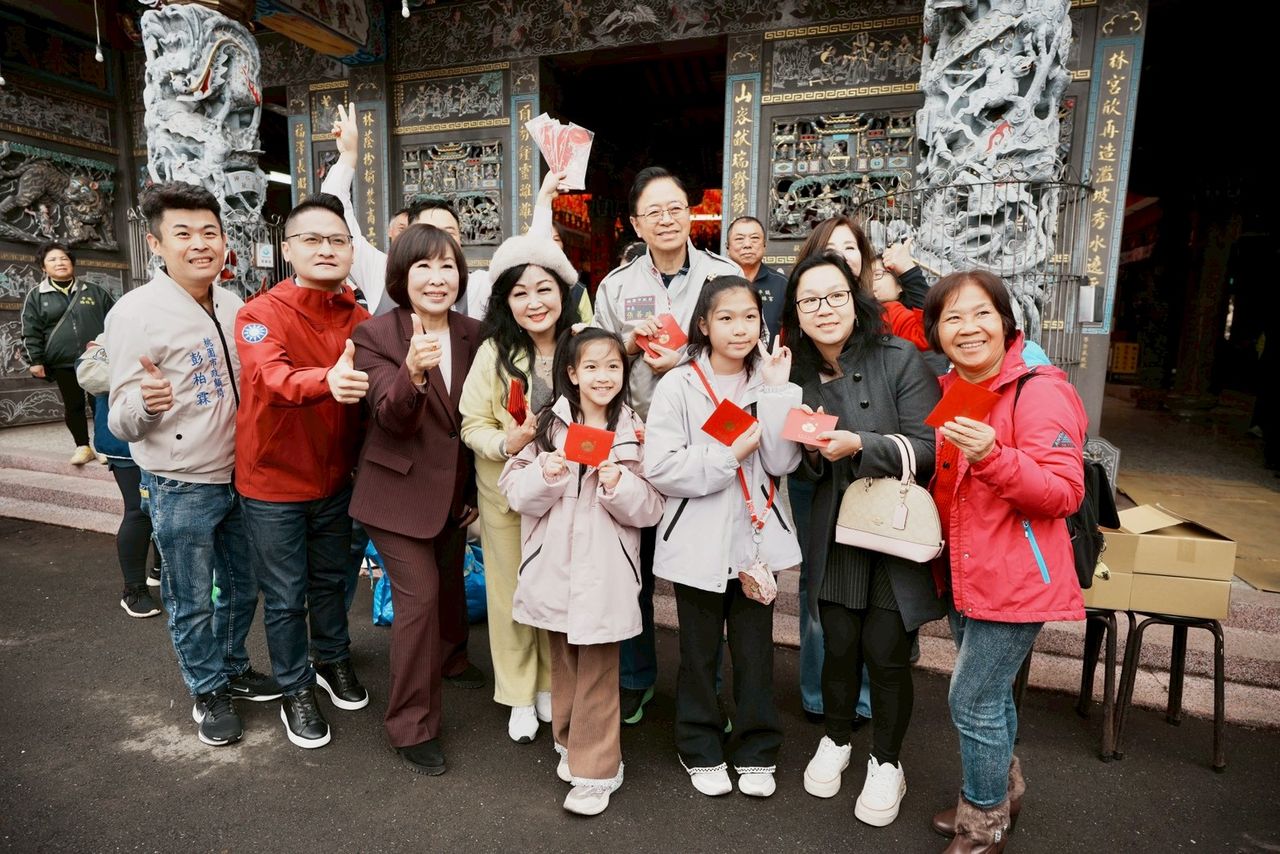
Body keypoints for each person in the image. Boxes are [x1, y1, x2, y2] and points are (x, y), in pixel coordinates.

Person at [104, 182, 279, 748]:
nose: (200, 244)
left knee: (243, 584)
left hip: (243, 473)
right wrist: (142, 404)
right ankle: (207, 689)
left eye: (210, 232)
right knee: (190, 596)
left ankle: (232, 668)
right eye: (183, 233)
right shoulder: (135, 312)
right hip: (182, 482)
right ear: (156, 244)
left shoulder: (235, 305)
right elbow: (119, 420)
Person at [922, 270, 1086, 852]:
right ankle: (1004, 787)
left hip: (1016, 575)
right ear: (937, 331)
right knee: (990, 696)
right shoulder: (954, 387)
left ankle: (984, 821)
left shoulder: (1039, 389)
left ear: (1006, 320)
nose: (968, 329)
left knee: (970, 699)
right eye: (952, 318)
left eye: (981, 314)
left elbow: (1065, 492)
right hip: (966, 569)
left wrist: (993, 455)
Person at [779, 251, 943, 827]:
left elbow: (929, 450)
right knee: (837, 644)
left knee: (887, 653)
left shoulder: (900, 357)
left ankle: (887, 761)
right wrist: (813, 454)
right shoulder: (793, 376)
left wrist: (860, 445)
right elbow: (797, 467)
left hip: (894, 527)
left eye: (835, 296)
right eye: (809, 300)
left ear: (857, 299)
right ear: (796, 313)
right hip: (836, 525)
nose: (824, 309)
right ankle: (837, 738)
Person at [644, 276, 801, 798]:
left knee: (758, 654)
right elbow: (661, 466)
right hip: (696, 540)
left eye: (749, 316)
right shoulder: (678, 384)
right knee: (698, 652)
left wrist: (778, 394)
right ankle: (700, 745)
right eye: (726, 318)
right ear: (704, 325)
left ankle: (758, 749)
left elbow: (781, 461)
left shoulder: (774, 379)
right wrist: (726, 456)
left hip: (755, 543)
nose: (739, 328)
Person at [593, 166, 740, 725]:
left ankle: (705, 692)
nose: (665, 218)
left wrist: (686, 361)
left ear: (692, 211)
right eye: (652, 211)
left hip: (707, 443)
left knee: (704, 581)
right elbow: (596, 364)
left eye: (675, 207)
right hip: (639, 443)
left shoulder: (722, 277)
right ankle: (636, 678)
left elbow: (744, 348)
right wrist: (627, 347)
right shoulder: (615, 286)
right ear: (636, 223)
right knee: (634, 568)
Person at [500, 327, 664, 815]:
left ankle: (597, 771)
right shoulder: (547, 426)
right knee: (566, 664)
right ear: (571, 373)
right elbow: (513, 492)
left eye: (612, 366)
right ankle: (572, 743)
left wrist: (619, 484)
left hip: (607, 572)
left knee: (597, 669)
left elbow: (651, 507)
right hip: (553, 567)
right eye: (590, 367)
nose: (602, 376)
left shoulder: (635, 431)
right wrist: (545, 474)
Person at [233, 194, 373, 750]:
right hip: (274, 484)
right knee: (286, 594)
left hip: (336, 479)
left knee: (332, 582)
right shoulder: (259, 314)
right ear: (288, 249)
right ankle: (294, 687)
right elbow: (271, 377)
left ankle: (332, 660)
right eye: (313, 239)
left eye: (338, 240)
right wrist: (327, 383)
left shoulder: (359, 316)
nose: (327, 249)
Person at [349, 224, 483, 775]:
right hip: (395, 493)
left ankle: (451, 660)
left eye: (447, 265)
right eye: (423, 267)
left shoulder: (476, 333)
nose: (437, 278)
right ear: (401, 276)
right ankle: (410, 725)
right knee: (421, 597)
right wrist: (412, 372)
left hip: (453, 493)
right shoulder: (376, 334)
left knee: (448, 583)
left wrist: (472, 491)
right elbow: (389, 415)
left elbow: (476, 421)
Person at [460, 232, 581, 743]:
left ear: (563, 292)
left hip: (571, 497)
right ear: (506, 301)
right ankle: (516, 693)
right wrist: (506, 443)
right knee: (511, 594)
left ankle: (553, 682)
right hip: (507, 494)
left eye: (544, 289)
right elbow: (470, 426)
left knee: (557, 592)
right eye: (520, 293)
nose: (534, 302)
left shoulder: (585, 342)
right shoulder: (493, 351)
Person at [75, 340, 161, 618]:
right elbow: (88, 375)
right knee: (139, 511)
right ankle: (133, 590)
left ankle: (159, 571)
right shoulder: (115, 330)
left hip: (169, 441)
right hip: (124, 440)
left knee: (168, 509)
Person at [22, 241, 116, 464]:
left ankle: (103, 446)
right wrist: (35, 360)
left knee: (101, 403)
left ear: (72, 263)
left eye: (64, 258)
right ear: (43, 267)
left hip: (95, 360)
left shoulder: (94, 291)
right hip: (62, 361)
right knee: (73, 405)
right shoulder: (37, 296)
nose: (60, 263)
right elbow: (31, 330)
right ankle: (82, 447)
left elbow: (115, 320)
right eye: (53, 260)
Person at [725, 216, 787, 336]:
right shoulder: (715, 283)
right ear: (727, 246)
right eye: (739, 239)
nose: (747, 244)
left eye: (754, 238)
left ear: (765, 245)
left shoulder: (783, 284)